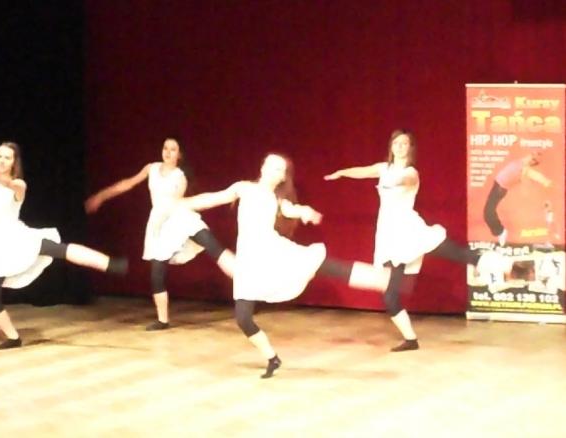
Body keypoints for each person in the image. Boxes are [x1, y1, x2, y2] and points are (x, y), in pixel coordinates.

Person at [179, 153, 394, 378]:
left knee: (320, 264)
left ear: (283, 177)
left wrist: (304, 211)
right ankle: (272, 358)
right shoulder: (243, 188)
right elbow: (212, 198)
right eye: (272, 166)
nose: (275, 172)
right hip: (249, 262)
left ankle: (378, 278)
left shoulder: (278, 200)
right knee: (243, 319)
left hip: (271, 252)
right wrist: (183, 204)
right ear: (263, 167)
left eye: (280, 170)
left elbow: (292, 210)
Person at [325, 129, 513, 352]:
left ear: (410, 148)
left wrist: (395, 183)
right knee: (390, 296)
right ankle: (411, 339)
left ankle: (507, 265)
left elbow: (407, 179)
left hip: (410, 229)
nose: (400, 147)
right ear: (391, 146)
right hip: (390, 236)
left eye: (404, 143)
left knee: (456, 253)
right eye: (396, 143)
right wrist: (342, 173)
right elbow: (363, 171)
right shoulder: (384, 168)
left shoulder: (411, 172)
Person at [0, 142, 128, 349]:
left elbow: (11, 185)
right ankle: (13, 337)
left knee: (61, 249)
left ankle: (111, 264)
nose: (1, 161)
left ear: (14, 163)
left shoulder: (19, 184)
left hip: (16, 238)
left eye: (7, 158)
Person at [85, 138, 234, 330]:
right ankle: (163, 320)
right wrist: (101, 196)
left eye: (173, 149)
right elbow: (127, 184)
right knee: (157, 272)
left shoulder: (180, 176)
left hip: (177, 216)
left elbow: (174, 203)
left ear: (179, 155)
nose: (168, 152)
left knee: (211, 244)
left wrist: (163, 222)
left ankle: (243, 279)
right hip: (158, 223)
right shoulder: (151, 168)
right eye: (165, 148)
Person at [484, 152, 552, 246]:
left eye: (533, 160)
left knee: (488, 212)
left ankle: (500, 231)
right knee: (488, 211)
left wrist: (545, 181)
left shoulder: (525, 169)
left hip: (499, 188)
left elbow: (537, 176)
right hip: (496, 185)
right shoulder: (520, 161)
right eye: (533, 156)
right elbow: (532, 154)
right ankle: (499, 231)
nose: (531, 158)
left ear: (532, 162)